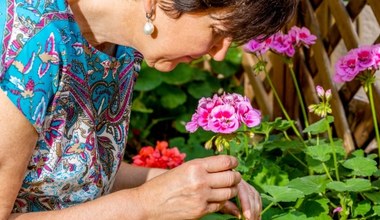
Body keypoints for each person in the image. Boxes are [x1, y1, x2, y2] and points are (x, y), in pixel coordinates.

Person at [0, 0, 297, 219]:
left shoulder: (122, 48)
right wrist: (143, 205)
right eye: (218, 32)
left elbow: (75, 176)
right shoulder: (31, 40)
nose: (219, 55)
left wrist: (200, 185)